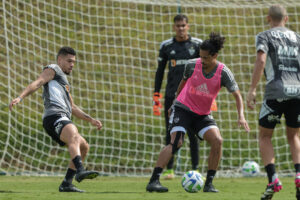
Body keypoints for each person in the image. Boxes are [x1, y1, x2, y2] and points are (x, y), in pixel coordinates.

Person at [147, 32, 250, 193]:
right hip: (183, 109)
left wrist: (241, 116)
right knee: (177, 142)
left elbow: (237, 95)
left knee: (217, 140)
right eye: (200, 57)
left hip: (202, 114)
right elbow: (182, 83)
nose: (202, 61)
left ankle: (208, 183)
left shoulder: (223, 72)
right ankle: (154, 181)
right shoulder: (192, 64)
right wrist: (174, 103)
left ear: (215, 55)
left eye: (206, 58)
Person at [9, 46, 102, 193]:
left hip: (62, 116)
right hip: (53, 116)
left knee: (84, 147)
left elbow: (73, 107)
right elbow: (38, 82)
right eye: (69, 61)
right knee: (73, 134)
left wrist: (91, 120)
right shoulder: (53, 69)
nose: (72, 65)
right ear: (60, 60)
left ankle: (66, 183)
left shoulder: (64, 83)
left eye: (74, 62)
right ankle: (80, 170)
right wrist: (20, 97)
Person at [247, 4, 300, 200]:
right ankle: (299, 174)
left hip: (276, 91)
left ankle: (273, 180)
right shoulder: (297, 38)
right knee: (294, 136)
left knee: (264, 136)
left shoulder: (265, 36)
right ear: (286, 19)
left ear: (268, 18)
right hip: (297, 92)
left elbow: (261, 61)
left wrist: (252, 90)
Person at [153, 14, 203, 179]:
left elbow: (205, 71)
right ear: (174, 27)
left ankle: (195, 169)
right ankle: (170, 169)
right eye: (178, 26)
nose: (181, 28)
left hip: (194, 97)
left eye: (183, 25)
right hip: (172, 97)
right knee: (171, 133)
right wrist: (156, 95)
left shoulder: (197, 45)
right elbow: (160, 72)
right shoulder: (167, 46)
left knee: (193, 133)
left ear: (188, 26)